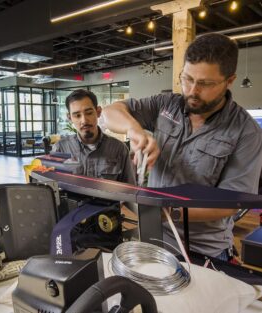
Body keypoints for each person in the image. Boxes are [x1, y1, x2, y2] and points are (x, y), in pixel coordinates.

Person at [102, 33, 262, 260]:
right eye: (187, 78)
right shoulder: (166, 105)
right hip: (153, 237)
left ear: (229, 80)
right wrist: (133, 129)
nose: (192, 91)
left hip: (204, 250)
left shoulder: (246, 132)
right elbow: (110, 112)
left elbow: (230, 204)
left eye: (205, 83)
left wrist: (166, 212)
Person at [52, 89, 136, 185]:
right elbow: (52, 188)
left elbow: (129, 190)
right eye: (77, 115)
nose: (84, 120)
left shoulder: (119, 149)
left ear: (98, 112)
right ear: (70, 118)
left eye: (89, 113)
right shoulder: (60, 149)